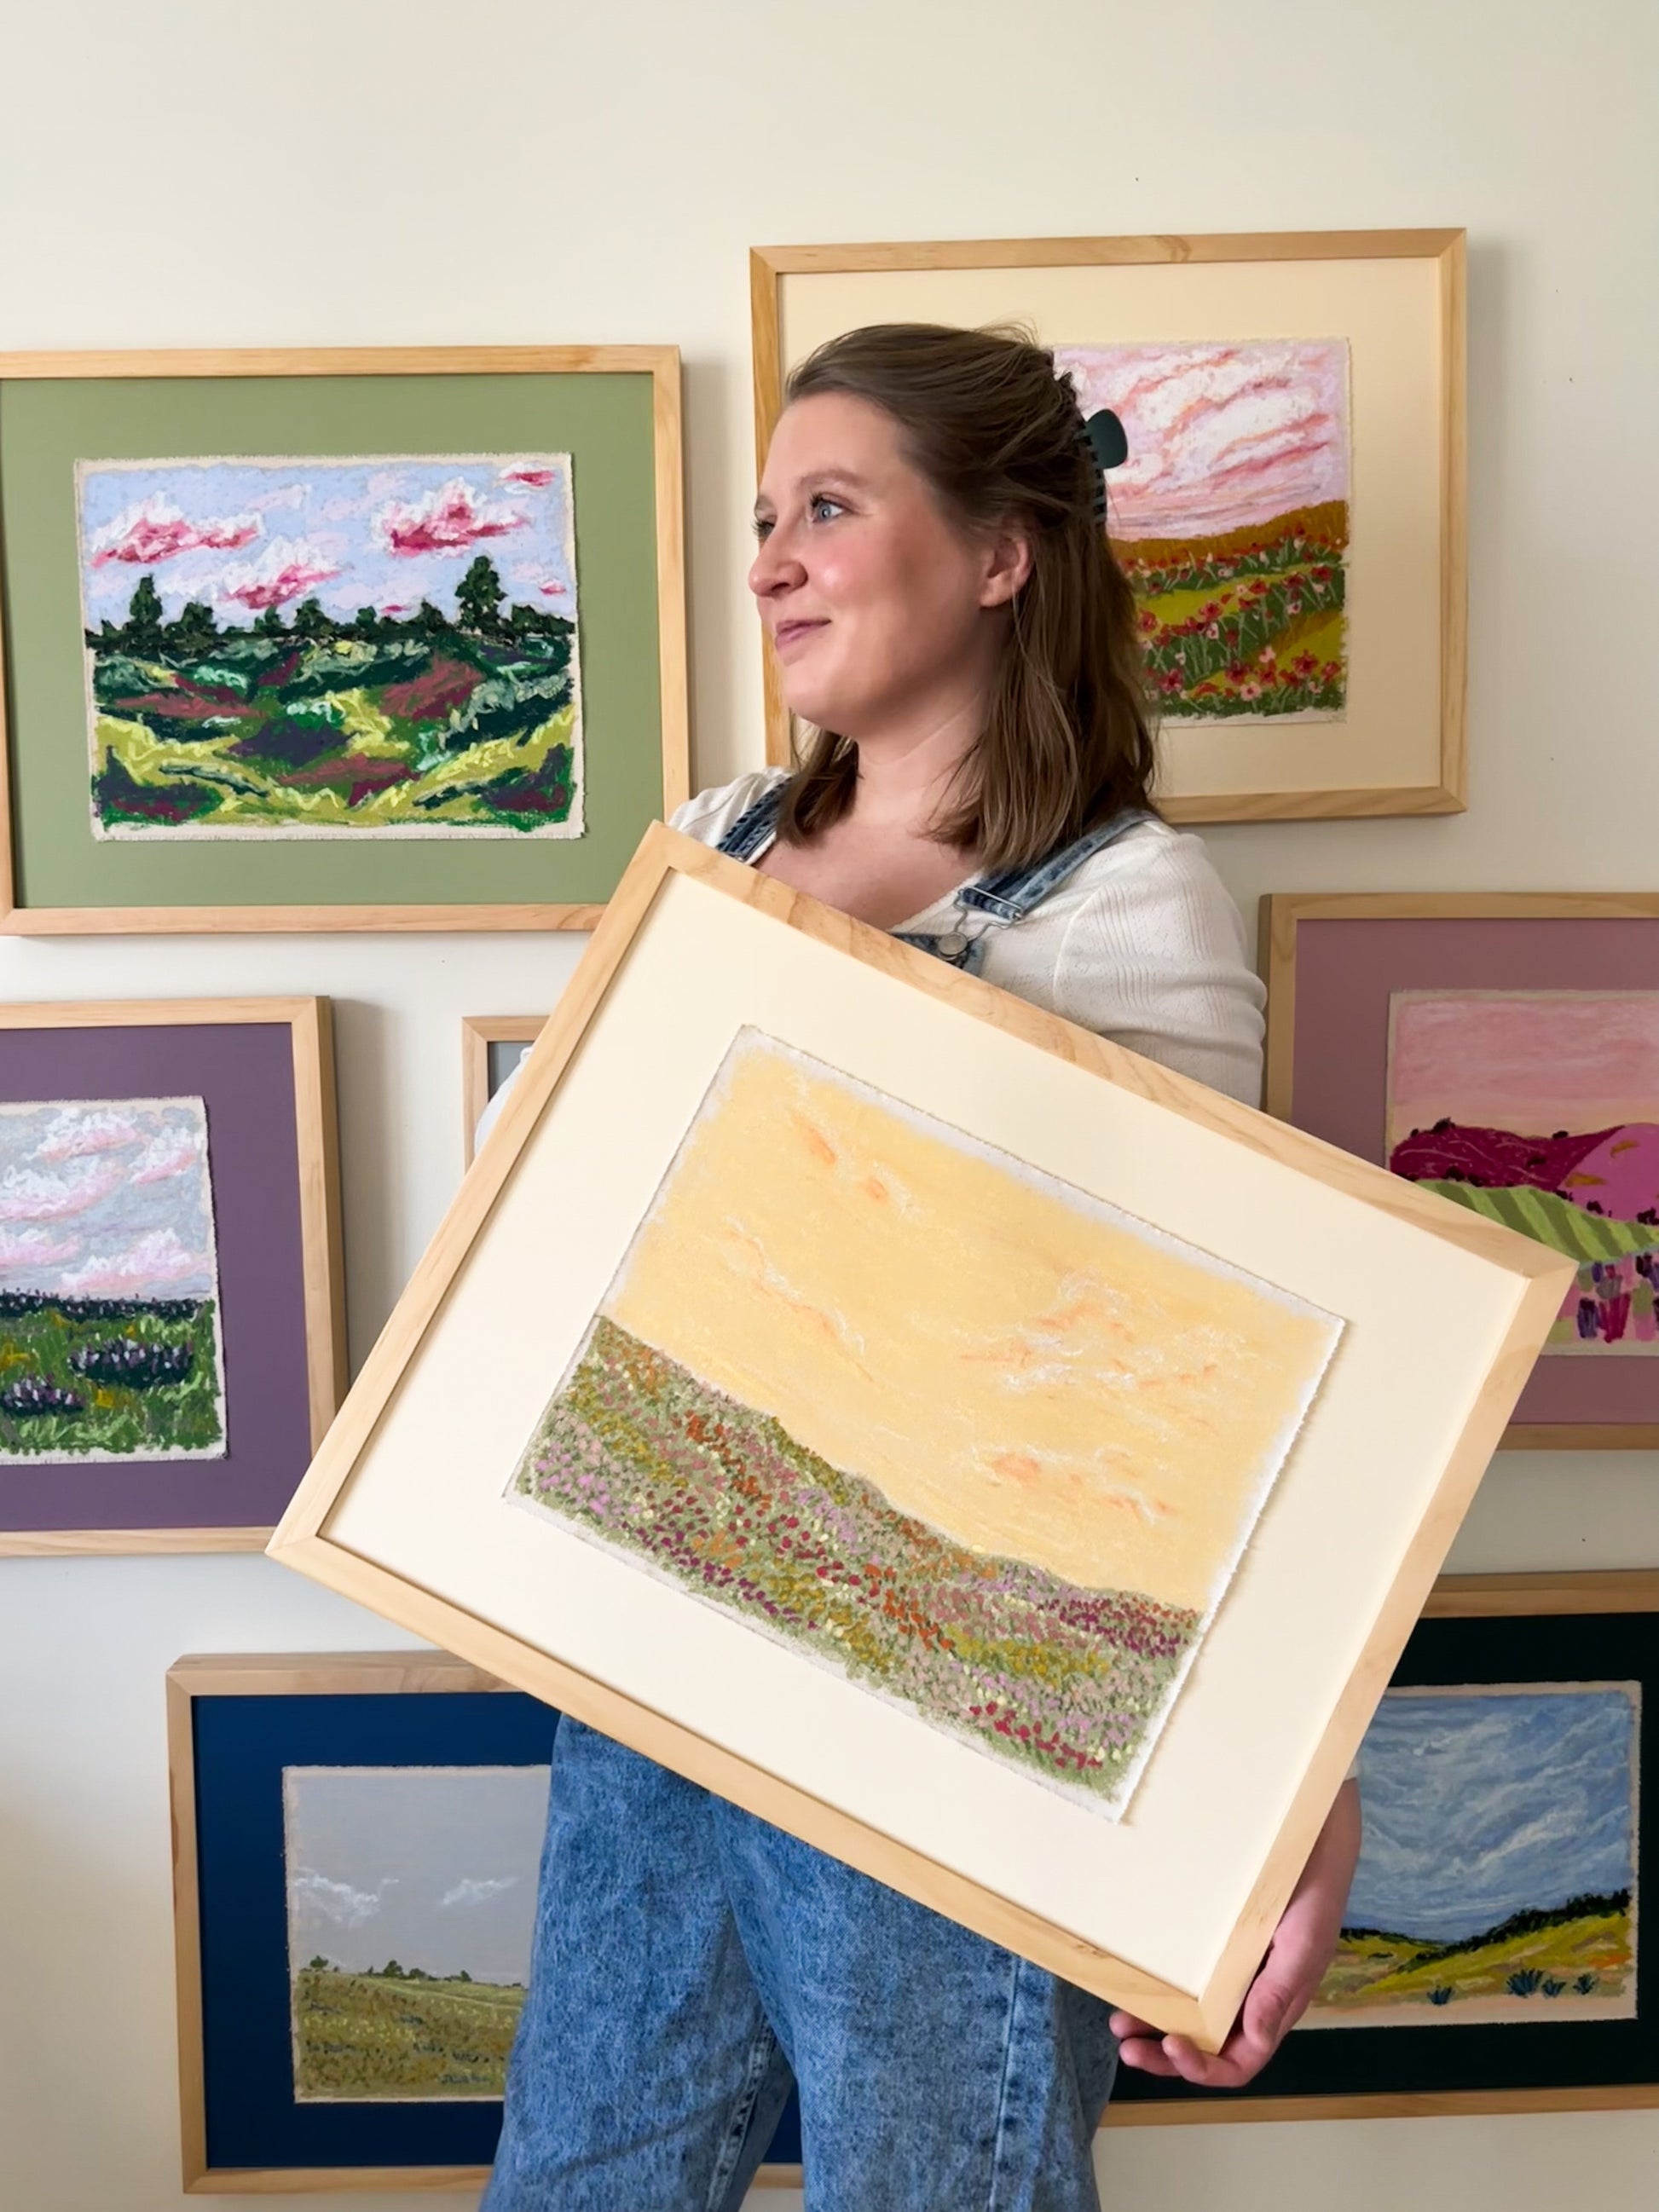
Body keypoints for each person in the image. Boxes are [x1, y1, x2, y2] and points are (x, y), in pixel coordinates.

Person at [481, 323, 1362, 2212]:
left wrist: (1301, 1786)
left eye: (826, 507)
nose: (769, 560)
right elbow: (541, 1216)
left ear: (995, 553)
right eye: (762, 518)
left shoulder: (1122, 911)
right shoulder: (711, 841)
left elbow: (1200, 1411)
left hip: (938, 1737)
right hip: (647, 1683)